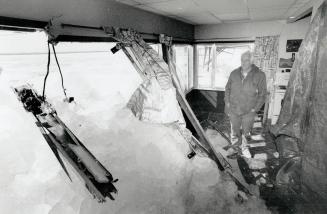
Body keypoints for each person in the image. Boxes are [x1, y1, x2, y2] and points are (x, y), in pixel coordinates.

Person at [224, 51, 267, 155]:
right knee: (234, 130)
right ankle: (235, 146)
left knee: (246, 131)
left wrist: (255, 109)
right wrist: (227, 102)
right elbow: (227, 88)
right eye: (242, 60)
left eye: (246, 60)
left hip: (249, 110)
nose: (244, 62)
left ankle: (244, 148)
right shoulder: (234, 73)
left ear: (251, 61)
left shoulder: (260, 75)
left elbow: (262, 94)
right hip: (234, 108)